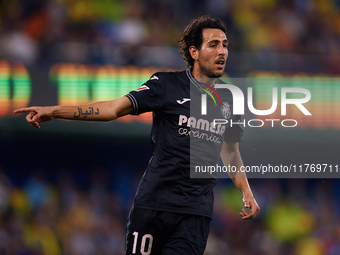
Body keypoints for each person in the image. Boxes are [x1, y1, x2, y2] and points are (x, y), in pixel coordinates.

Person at [14, 16, 260, 255]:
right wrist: (56, 111)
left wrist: (246, 191)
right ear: (194, 52)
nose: (222, 52)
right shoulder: (166, 85)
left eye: (225, 45)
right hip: (154, 207)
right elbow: (113, 109)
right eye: (214, 44)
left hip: (195, 214)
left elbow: (230, 150)